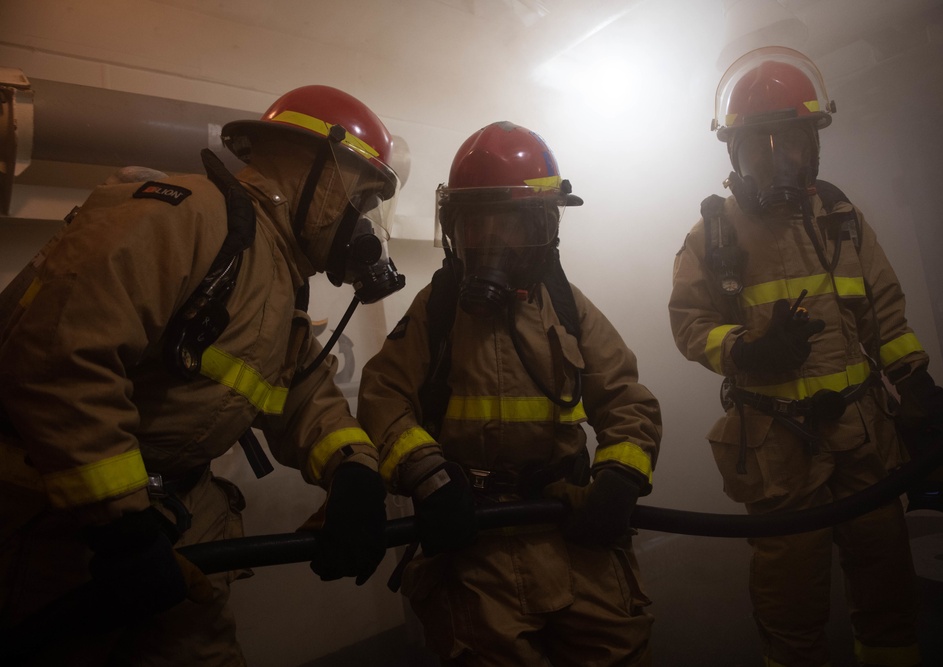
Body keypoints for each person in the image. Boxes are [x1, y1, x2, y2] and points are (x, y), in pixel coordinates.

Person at [0, 84, 403, 666]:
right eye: (360, 201)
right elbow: (56, 358)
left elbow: (302, 395)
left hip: (170, 525)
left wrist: (355, 475)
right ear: (317, 172)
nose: (362, 225)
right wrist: (124, 528)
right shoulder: (186, 215)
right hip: (62, 534)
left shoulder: (275, 272)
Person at [669, 46, 943, 667]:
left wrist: (916, 382)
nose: (779, 160)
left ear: (814, 146)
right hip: (778, 449)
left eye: (792, 143)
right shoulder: (711, 235)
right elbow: (690, 325)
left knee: (887, 592)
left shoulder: (842, 219)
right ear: (734, 153)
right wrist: (746, 350)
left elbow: (885, 314)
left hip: (864, 440)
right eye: (760, 147)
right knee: (791, 606)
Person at [358, 121, 662, 666]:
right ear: (455, 230)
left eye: (511, 228)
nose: (492, 246)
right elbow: (383, 397)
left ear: (545, 230)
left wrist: (619, 479)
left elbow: (626, 401)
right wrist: (429, 477)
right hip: (475, 547)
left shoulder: (567, 307)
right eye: (478, 227)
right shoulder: (438, 309)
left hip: (568, 531)